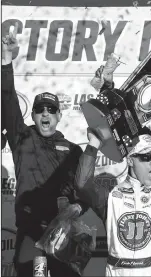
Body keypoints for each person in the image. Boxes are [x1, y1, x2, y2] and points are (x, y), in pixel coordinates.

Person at [74, 88, 151, 276]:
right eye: (145, 157)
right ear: (130, 160)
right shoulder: (111, 195)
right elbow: (81, 184)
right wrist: (93, 144)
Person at [2, 23, 87, 277]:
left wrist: (78, 208)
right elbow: (7, 101)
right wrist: (6, 62)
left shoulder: (73, 151)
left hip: (64, 235)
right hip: (31, 234)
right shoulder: (23, 137)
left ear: (60, 115)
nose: (45, 114)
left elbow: (86, 191)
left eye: (51, 110)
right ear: (34, 115)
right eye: (40, 110)